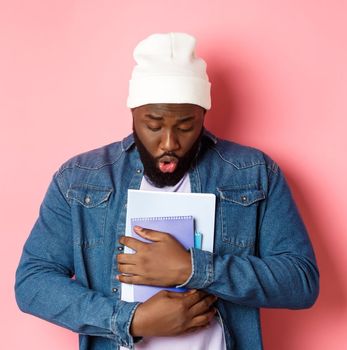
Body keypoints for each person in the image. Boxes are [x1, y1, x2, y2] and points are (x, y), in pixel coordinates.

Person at [15, 32, 319, 350]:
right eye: (154, 125)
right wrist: (132, 320)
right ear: (133, 114)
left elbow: (300, 280)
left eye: (186, 126)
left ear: (203, 116)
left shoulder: (253, 172)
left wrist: (193, 268)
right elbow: (33, 282)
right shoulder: (80, 179)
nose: (169, 143)